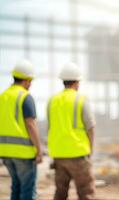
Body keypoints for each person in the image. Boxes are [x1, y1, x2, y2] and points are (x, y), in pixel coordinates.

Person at [47, 63, 96, 200]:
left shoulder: (52, 101)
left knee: (60, 193)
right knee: (86, 193)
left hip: (58, 155)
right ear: (77, 82)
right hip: (78, 154)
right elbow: (90, 127)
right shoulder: (81, 99)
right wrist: (90, 149)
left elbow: (50, 127)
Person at [0, 59, 43, 200]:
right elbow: (31, 125)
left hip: (5, 152)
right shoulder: (25, 97)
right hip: (23, 153)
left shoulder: (3, 97)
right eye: (30, 81)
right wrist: (38, 150)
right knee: (27, 191)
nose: (30, 85)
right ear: (26, 80)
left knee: (16, 188)